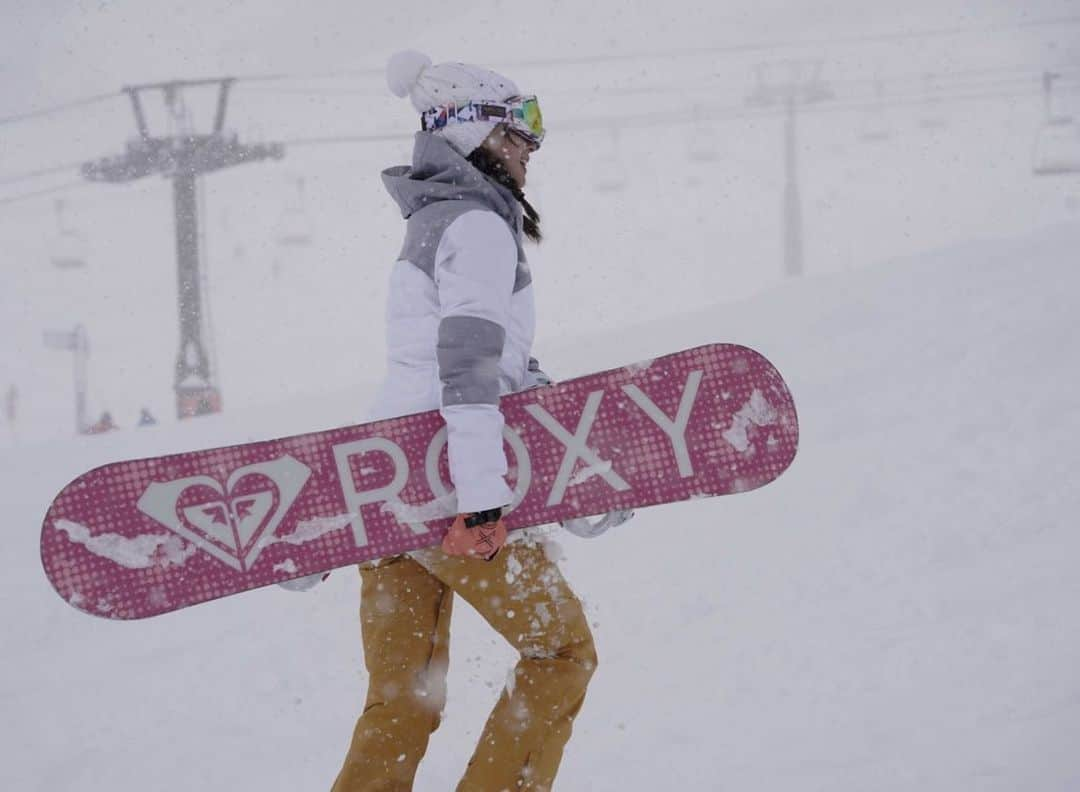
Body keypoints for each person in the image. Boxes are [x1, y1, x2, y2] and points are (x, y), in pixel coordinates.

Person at [331, 51, 598, 792]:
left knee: (402, 703)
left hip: (388, 482)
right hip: (451, 488)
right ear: (474, 133)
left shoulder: (431, 224)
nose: (530, 149)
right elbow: (469, 371)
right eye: (520, 130)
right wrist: (482, 500)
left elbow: (475, 362)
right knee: (562, 655)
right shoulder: (478, 228)